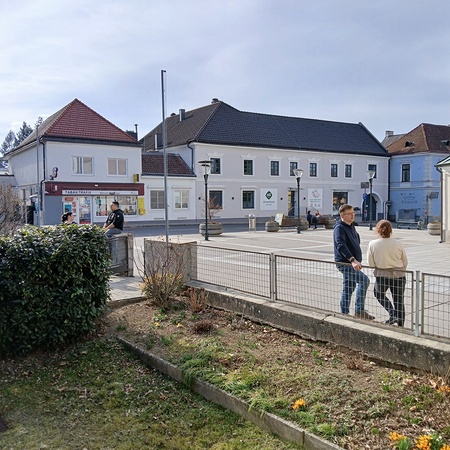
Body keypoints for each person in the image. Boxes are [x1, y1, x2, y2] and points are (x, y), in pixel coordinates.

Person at [334, 204, 373, 320]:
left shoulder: (351, 226)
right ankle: (359, 310)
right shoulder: (339, 228)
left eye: (353, 213)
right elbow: (340, 245)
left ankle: (344, 313)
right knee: (364, 281)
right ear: (342, 215)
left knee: (349, 287)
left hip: (352, 263)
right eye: (349, 213)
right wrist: (353, 260)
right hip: (345, 263)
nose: (352, 215)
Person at [367, 220, 408, 326]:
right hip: (398, 274)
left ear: (378, 230)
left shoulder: (372, 244)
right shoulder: (398, 243)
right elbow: (405, 261)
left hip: (382, 274)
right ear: (390, 230)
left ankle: (392, 313)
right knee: (399, 299)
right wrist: (401, 268)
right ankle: (401, 324)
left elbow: (371, 263)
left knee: (378, 294)